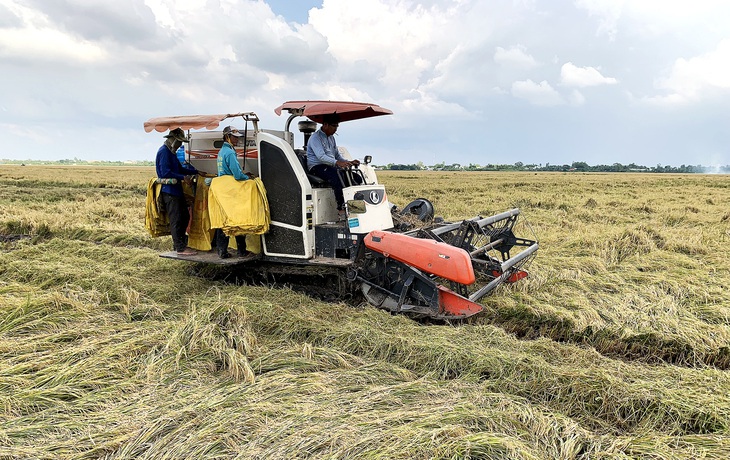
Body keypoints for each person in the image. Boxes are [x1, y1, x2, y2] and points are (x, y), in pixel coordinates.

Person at [306, 113, 361, 216]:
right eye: (334, 126)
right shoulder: (315, 138)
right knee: (336, 176)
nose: (336, 129)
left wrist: (348, 162)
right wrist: (338, 163)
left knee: (356, 177)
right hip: (317, 166)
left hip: (330, 166)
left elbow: (336, 155)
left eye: (337, 126)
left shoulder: (331, 138)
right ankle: (341, 208)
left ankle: (355, 206)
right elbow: (321, 157)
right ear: (325, 124)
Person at [213, 126, 255, 259]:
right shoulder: (230, 153)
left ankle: (222, 250)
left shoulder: (222, 151)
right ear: (227, 137)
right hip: (231, 189)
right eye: (235, 137)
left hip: (222, 188)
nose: (237, 139)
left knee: (224, 220)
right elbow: (237, 174)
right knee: (238, 218)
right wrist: (247, 178)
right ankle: (242, 251)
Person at [155, 127, 198, 256]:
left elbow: (180, 169)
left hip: (176, 190)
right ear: (172, 140)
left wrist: (196, 172)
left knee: (185, 216)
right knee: (176, 219)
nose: (179, 145)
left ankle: (182, 243)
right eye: (178, 142)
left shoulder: (171, 153)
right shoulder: (164, 152)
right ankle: (179, 248)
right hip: (169, 191)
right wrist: (183, 178)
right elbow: (165, 172)